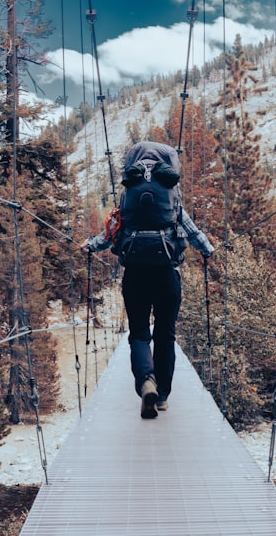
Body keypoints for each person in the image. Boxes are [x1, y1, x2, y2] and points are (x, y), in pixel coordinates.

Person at [86, 142, 215, 419]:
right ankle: (164, 396)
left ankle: (146, 380)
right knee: (165, 335)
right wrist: (208, 250)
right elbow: (191, 230)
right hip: (167, 274)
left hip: (134, 275)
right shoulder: (171, 192)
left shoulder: (128, 191)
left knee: (140, 334)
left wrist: (89, 246)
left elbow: (111, 231)